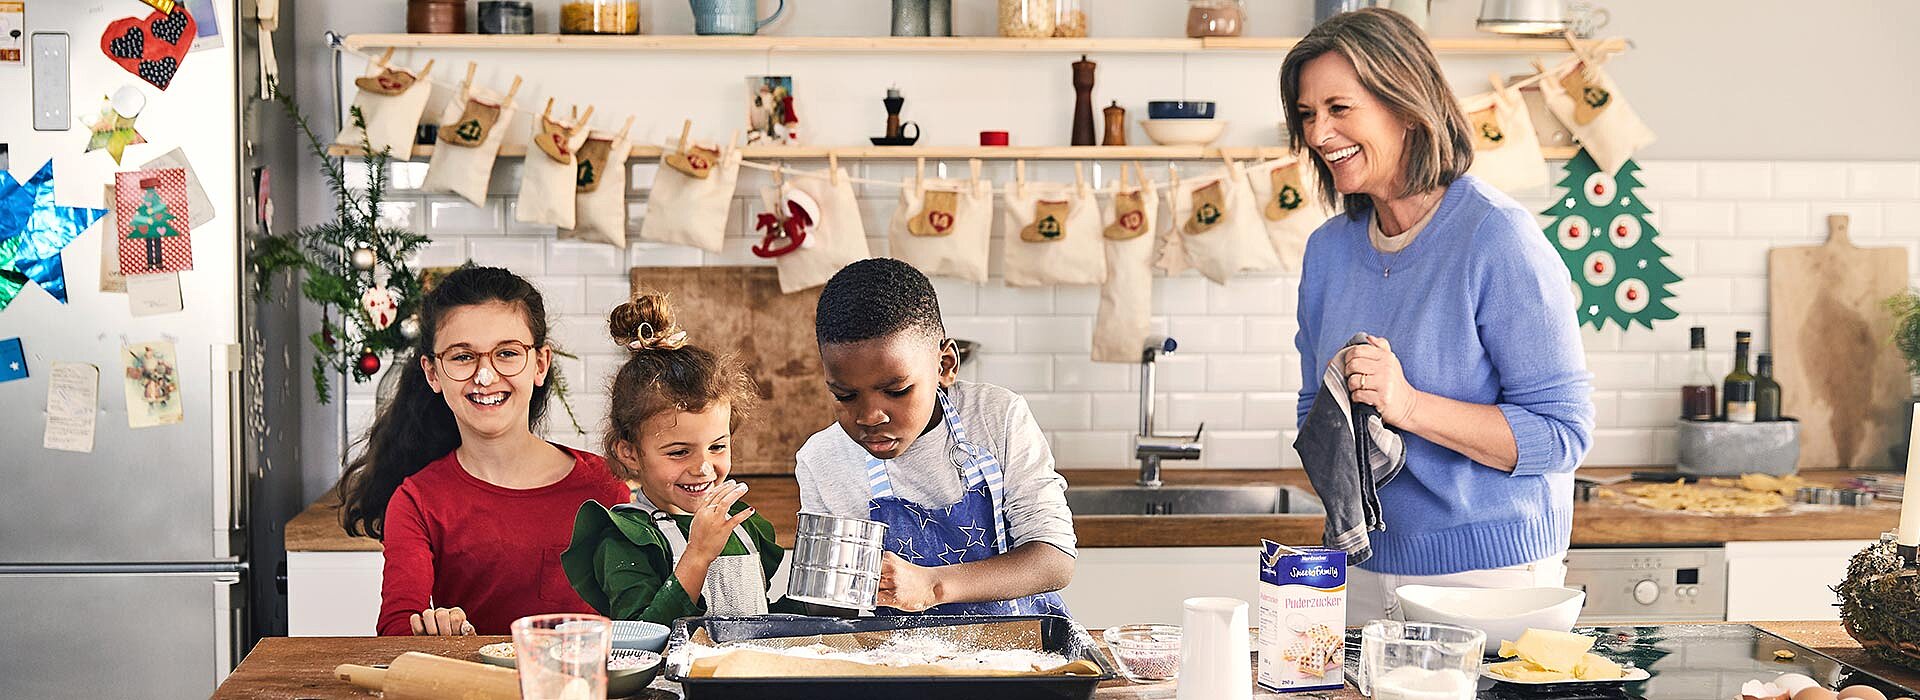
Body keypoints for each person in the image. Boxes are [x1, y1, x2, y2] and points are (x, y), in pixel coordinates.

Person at [1280, 9, 1595, 624]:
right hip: (1361, 568)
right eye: (1307, 115)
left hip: (1488, 577)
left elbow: (1564, 436)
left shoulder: (1496, 239)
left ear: (1405, 102)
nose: (1319, 134)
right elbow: (1310, 408)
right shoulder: (1328, 252)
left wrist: (1407, 406)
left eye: (1339, 109)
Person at [337, 266, 632, 636]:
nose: (485, 375)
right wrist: (433, 632)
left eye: (507, 353)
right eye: (462, 357)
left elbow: (638, 621)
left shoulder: (606, 487)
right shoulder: (416, 501)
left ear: (540, 364)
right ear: (432, 373)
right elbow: (396, 630)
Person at [795, 258, 1075, 615]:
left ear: (945, 366)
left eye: (896, 391)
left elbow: (1054, 560)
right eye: (844, 396)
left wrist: (932, 585)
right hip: (899, 661)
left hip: (1022, 649)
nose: (869, 416)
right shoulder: (822, 459)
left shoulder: (996, 418)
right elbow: (827, 608)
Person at [562, 292, 801, 624]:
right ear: (629, 452)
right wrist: (698, 554)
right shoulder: (625, 539)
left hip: (743, 676)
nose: (703, 468)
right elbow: (641, 638)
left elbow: (760, 621)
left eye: (717, 447)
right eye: (679, 452)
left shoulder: (744, 528)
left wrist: (823, 600)